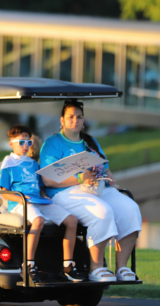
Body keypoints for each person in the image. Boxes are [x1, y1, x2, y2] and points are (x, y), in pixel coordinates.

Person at [39, 100, 142, 282]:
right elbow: (48, 179)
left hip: (97, 187)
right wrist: (80, 178)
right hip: (65, 192)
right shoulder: (52, 144)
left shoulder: (91, 142)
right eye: (70, 117)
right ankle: (96, 268)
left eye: (79, 117)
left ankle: (122, 267)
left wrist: (110, 179)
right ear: (62, 120)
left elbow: (106, 167)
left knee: (130, 209)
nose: (75, 120)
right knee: (102, 211)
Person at [0, 124, 85, 283]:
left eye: (28, 143)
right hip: (20, 203)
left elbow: (40, 188)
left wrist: (47, 198)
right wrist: (23, 200)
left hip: (38, 201)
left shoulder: (33, 164)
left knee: (72, 221)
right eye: (21, 142)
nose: (25, 146)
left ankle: (68, 266)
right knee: (38, 221)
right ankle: (29, 265)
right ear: (11, 144)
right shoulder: (9, 163)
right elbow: (4, 192)